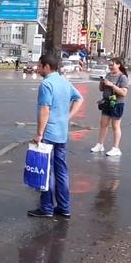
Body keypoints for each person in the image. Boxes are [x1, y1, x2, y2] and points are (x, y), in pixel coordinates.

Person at [28, 54, 84, 218]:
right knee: (61, 171)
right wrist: (67, 117)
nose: (37, 69)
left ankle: (46, 208)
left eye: (39, 66)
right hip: (62, 132)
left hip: (49, 133)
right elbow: (79, 99)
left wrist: (39, 133)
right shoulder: (64, 81)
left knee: (47, 171)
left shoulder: (46, 84)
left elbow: (44, 109)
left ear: (46, 67)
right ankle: (64, 207)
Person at [90, 57, 129, 157]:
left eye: (112, 65)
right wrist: (102, 83)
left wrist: (112, 85)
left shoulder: (122, 77)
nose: (110, 67)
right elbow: (101, 90)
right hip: (107, 102)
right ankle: (100, 145)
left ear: (118, 65)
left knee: (115, 126)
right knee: (103, 124)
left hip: (117, 103)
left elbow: (123, 93)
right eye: (109, 65)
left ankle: (116, 148)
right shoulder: (108, 75)